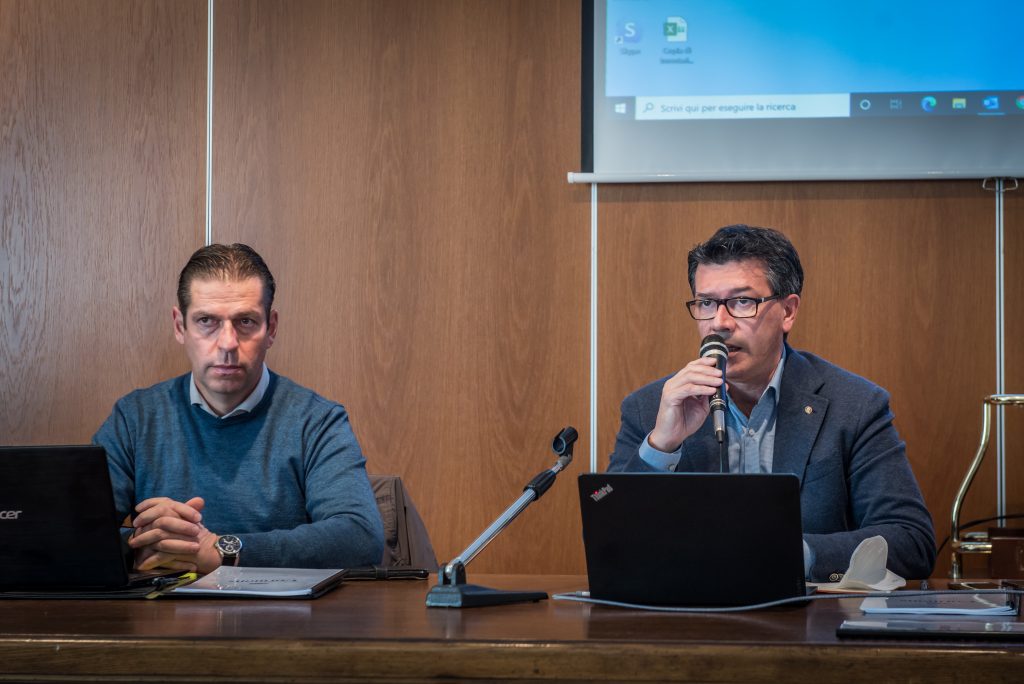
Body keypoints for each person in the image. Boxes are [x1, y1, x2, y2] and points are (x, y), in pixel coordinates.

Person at [607, 225, 935, 582]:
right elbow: (609, 544)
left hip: (807, 614)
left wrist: (791, 554)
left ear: (788, 311)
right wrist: (661, 445)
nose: (719, 323)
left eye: (742, 302)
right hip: (690, 613)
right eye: (706, 303)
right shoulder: (651, 407)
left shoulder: (854, 406)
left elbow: (911, 541)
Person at [93, 243, 384, 574]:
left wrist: (222, 551)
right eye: (207, 321)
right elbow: (70, 530)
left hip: (277, 609)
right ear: (180, 326)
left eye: (245, 321)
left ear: (271, 328)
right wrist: (142, 545)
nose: (228, 343)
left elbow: (360, 535)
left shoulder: (317, 421)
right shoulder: (134, 419)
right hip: (163, 606)